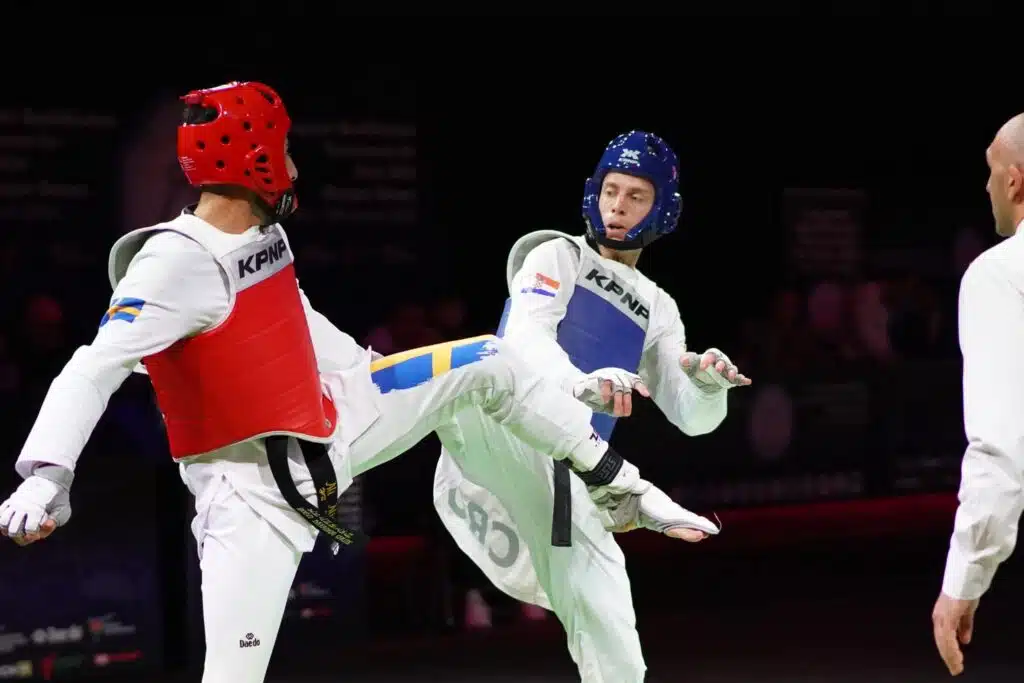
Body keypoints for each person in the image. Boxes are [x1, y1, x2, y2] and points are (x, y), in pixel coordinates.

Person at [0, 86, 705, 683]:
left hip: (335, 422)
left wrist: (377, 372)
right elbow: (92, 366)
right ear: (252, 158)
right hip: (252, 499)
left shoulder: (265, 235)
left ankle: (616, 482)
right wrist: (46, 476)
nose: (293, 165)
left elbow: (294, 321)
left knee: (488, 359)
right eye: (282, 149)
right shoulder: (172, 264)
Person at [430, 130, 749, 683]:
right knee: (469, 367)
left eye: (635, 196)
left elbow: (692, 420)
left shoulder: (658, 306)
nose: (617, 207)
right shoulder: (557, 254)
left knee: (612, 631)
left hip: (570, 468)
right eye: (611, 191)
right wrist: (579, 385)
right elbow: (526, 338)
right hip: (502, 425)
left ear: (663, 209)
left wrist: (708, 388)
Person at [932, 112, 1024, 677]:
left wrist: (964, 577)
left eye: (991, 170)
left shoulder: (1001, 274)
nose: (986, 184)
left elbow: (1002, 448)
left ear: (1014, 181)